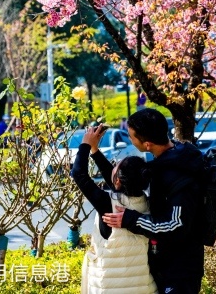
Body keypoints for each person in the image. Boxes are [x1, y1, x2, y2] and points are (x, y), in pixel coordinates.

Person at [103, 109, 205, 294]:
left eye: (131, 136)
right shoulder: (166, 162)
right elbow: (122, 180)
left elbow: (176, 225)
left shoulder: (179, 174)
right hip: (165, 264)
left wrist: (130, 220)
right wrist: (94, 150)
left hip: (181, 270)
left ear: (147, 144)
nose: (129, 139)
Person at [71, 124, 156, 294]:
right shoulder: (145, 202)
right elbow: (118, 182)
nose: (113, 166)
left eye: (116, 166)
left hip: (108, 287)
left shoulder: (108, 204)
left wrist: (85, 144)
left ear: (117, 180)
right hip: (143, 286)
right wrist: (95, 151)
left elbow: (78, 173)